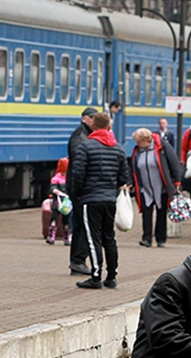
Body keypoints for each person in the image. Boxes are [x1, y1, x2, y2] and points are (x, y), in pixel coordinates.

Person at [70, 112, 130, 290]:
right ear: (109, 126)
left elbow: (78, 174)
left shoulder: (86, 147)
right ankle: (111, 276)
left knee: (92, 238)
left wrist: (77, 194)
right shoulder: (118, 148)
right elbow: (123, 177)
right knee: (109, 238)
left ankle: (96, 276)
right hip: (110, 200)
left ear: (94, 126)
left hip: (90, 199)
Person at [130, 128, 181, 248]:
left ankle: (160, 238)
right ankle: (146, 238)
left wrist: (177, 181)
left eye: (139, 142)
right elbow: (133, 168)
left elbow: (174, 163)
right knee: (146, 213)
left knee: (161, 212)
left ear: (146, 140)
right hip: (145, 188)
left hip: (161, 187)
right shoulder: (138, 151)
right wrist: (130, 182)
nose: (137, 144)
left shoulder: (162, 147)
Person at [67, 108, 98, 275]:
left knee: (81, 226)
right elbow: (79, 164)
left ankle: (78, 261)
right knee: (83, 226)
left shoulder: (84, 136)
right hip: (81, 188)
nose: (94, 121)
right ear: (85, 119)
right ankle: (78, 260)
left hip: (81, 187)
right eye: (93, 118)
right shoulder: (80, 137)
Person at [47, 158, 71, 246]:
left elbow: (52, 188)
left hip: (58, 202)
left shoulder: (56, 178)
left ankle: (52, 236)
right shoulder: (69, 178)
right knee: (66, 220)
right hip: (65, 202)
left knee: (55, 218)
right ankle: (66, 238)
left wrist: (56, 191)